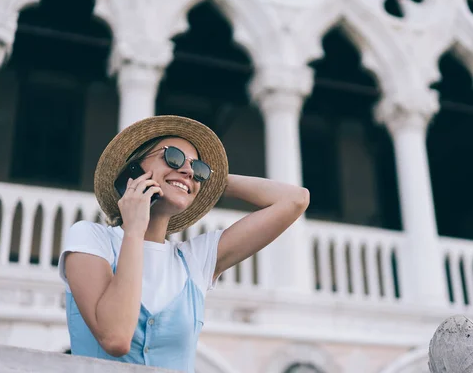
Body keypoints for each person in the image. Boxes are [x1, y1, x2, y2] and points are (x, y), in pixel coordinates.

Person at [58, 115, 310, 372]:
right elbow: (116, 338)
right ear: (134, 168)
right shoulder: (91, 238)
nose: (188, 170)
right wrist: (134, 229)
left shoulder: (195, 259)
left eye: (197, 168)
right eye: (173, 157)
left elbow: (295, 199)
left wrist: (210, 180)